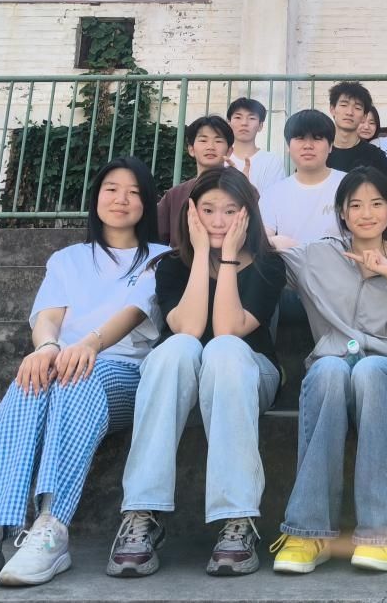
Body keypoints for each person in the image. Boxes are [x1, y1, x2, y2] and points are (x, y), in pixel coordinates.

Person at [0, 157, 167, 589]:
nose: (121, 199)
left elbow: (135, 313)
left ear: (147, 204)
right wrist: (46, 348)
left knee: (77, 376)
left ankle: (50, 528)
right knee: (29, 381)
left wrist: (88, 346)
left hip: (123, 374)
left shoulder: (159, 258)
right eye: (112, 189)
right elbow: (49, 315)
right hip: (62, 367)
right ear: (96, 197)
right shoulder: (68, 259)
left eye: (134, 192)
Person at [268, 168, 387, 574]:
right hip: (335, 370)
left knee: (369, 370)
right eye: (355, 205)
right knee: (327, 371)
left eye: (376, 204)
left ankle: (381, 534)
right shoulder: (318, 256)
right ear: (342, 212)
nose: (366, 213)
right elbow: (265, 255)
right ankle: (308, 532)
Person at [108, 168, 284, 578]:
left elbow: (227, 328)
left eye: (230, 210)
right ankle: (141, 514)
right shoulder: (171, 266)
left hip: (248, 372)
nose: (218, 221)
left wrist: (226, 259)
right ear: (192, 214)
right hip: (181, 372)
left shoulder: (269, 266)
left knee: (223, 348)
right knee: (177, 347)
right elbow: (187, 327)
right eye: (208, 210)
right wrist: (201, 253)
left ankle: (237, 519)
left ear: (248, 214)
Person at [258, 110, 346, 244]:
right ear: (288, 146)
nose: (308, 146)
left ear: (330, 146)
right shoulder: (273, 194)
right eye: (300, 138)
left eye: (317, 138)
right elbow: (262, 241)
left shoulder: (349, 185)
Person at [158, 116, 235, 248]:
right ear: (191, 150)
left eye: (218, 141)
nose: (210, 147)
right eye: (203, 140)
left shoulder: (242, 190)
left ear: (229, 151)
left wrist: (242, 185)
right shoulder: (175, 195)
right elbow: (156, 240)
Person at [325, 81, 387, 175]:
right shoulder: (319, 152)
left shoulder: (375, 156)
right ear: (332, 109)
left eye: (357, 108)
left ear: (364, 116)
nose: (349, 112)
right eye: (344, 105)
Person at [226, 97, 287, 193]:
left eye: (252, 118)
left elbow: (274, 198)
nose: (244, 123)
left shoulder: (272, 161)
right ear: (229, 123)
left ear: (260, 126)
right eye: (238, 117)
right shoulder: (220, 160)